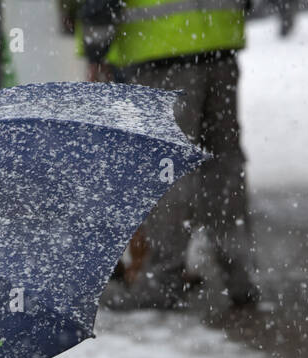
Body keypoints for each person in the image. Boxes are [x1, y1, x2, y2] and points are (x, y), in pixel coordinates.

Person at [78, 0, 295, 313]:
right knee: (224, 164)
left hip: (160, 46)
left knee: (169, 166)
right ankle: (240, 277)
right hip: (219, 39)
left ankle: (162, 281)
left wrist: (96, 49)